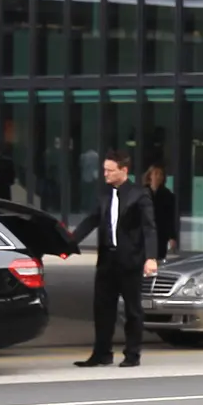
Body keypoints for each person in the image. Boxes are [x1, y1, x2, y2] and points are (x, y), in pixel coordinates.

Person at [69, 155, 161, 368]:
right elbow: (91, 220)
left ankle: (132, 354)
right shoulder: (103, 194)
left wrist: (150, 258)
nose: (105, 174)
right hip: (107, 259)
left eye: (110, 170)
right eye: (105, 170)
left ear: (124, 170)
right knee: (102, 309)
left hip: (130, 260)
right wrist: (69, 242)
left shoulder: (140, 194)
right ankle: (101, 353)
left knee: (132, 309)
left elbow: (149, 227)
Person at [142, 163, 182, 257]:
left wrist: (172, 237)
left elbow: (170, 218)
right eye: (155, 173)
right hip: (144, 233)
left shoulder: (168, 195)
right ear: (150, 176)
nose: (158, 176)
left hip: (160, 234)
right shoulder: (142, 193)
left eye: (161, 174)